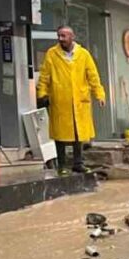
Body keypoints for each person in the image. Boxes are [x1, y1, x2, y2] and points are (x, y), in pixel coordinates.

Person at [36, 25, 106, 175]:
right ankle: (62, 165)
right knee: (60, 135)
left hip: (79, 100)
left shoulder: (83, 54)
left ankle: (78, 163)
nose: (61, 39)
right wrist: (42, 94)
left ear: (72, 37)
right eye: (59, 36)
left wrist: (99, 94)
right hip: (60, 100)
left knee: (78, 133)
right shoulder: (52, 54)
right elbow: (45, 76)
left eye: (64, 36)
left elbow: (93, 76)